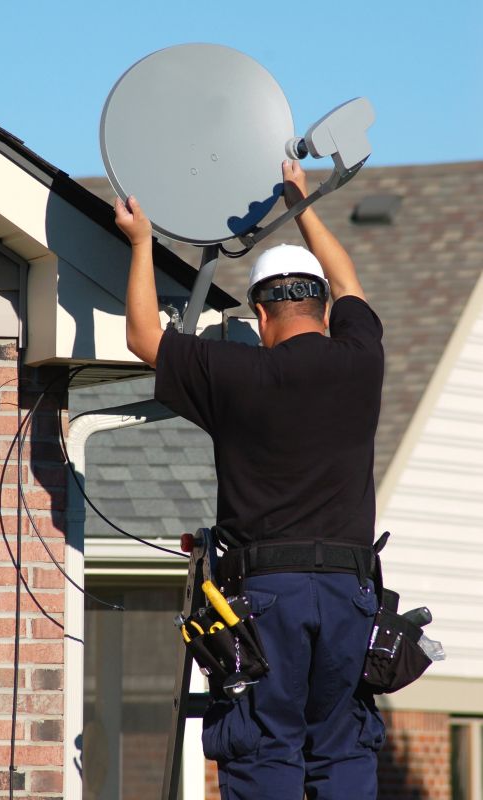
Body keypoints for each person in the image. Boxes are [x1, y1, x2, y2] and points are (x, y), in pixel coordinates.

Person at [115, 160, 386, 800]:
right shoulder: (362, 359)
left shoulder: (235, 374)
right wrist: (301, 202)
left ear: (261, 318)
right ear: (324, 310)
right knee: (343, 750)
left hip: (267, 596)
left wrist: (140, 242)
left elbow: (143, 337)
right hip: (351, 592)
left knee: (265, 752)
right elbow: (351, 283)